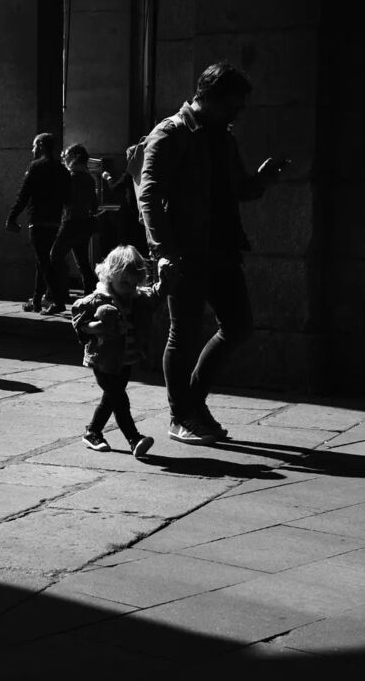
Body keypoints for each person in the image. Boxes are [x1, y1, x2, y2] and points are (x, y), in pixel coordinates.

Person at [137, 61, 290, 444]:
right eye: (233, 105)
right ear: (208, 97)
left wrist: (262, 180)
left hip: (222, 247)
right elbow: (149, 197)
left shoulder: (223, 136)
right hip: (185, 251)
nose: (238, 112)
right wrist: (163, 253)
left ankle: (193, 402)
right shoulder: (170, 134)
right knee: (183, 334)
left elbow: (237, 189)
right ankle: (180, 416)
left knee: (238, 326)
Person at [70, 245, 168, 459]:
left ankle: (93, 432)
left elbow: (156, 297)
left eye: (134, 283)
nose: (130, 287)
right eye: (125, 282)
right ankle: (134, 438)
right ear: (110, 275)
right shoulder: (99, 299)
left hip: (125, 359)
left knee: (111, 398)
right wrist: (96, 327)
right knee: (119, 399)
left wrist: (165, 277)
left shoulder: (137, 298)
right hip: (103, 359)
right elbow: (78, 317)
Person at [5, 132, 72, 315]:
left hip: (38, 220)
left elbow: (23, 194)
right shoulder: (62, 170)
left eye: (34, 146)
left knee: (44, 261)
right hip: (55, 221)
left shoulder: (36, 167)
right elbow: (68, 197)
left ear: (41, 145)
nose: (33, 150)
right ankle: (36, 300)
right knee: (42, 261)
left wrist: (12, 217)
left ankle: (57, 301)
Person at [49, 143, 101, 311]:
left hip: (70, 222)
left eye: (67, 155)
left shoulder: (70, 177)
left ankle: (56, 298)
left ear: (75, 157)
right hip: (85, 224)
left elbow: (60, 199)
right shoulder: (89, 178)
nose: (64, 157)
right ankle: (91, 297)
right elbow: (94, 206)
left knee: (54, 257)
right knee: (83, 263)